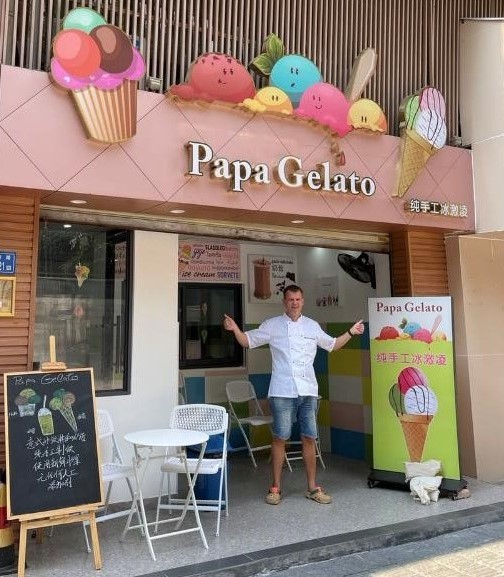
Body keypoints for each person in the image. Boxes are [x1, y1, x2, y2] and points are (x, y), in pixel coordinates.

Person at [223, 284, 365, 506]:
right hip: (282, 390)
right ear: (284, 302)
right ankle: (275, 487)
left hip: (308, 390)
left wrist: (350, 332)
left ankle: (312, 487)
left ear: (303, 301)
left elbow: (333, 345)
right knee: (280, 437)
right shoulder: (272, 325)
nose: (295, 303)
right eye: (291, 299)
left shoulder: (312, 326)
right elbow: (247, 341)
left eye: (298, 299)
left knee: (309, 436)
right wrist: (234, 329)